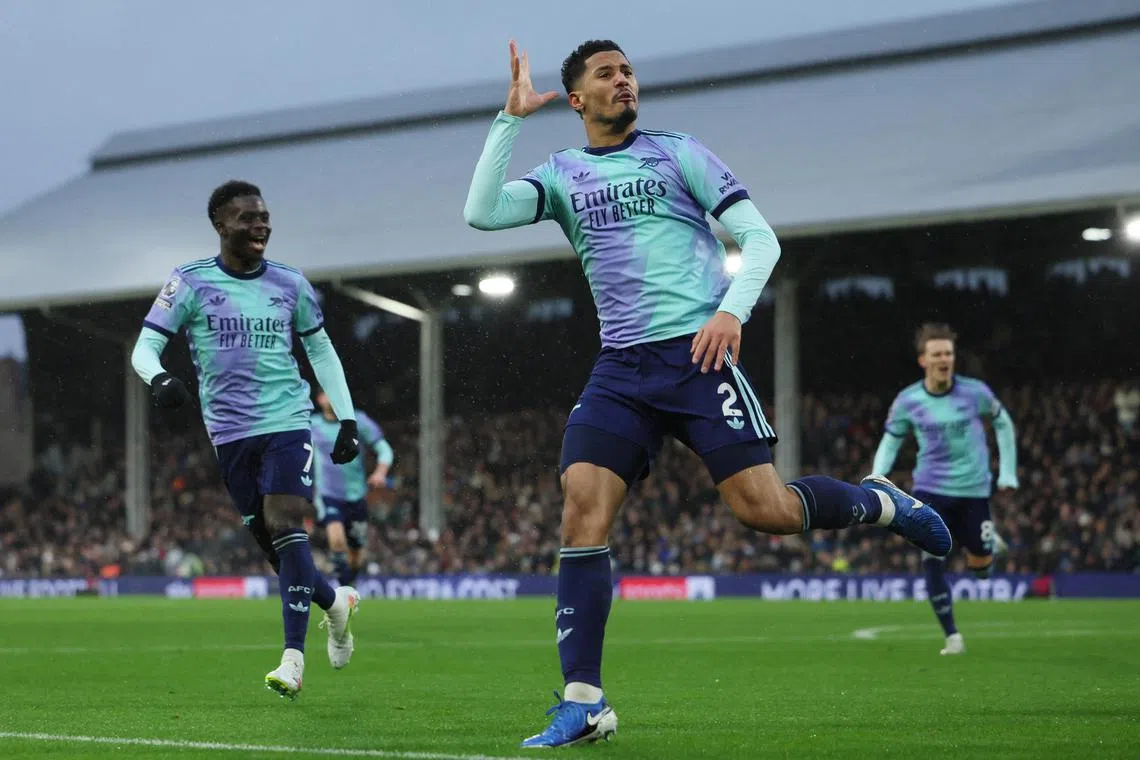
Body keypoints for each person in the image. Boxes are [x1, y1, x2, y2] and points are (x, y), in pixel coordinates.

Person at [464, 39, 951, 748]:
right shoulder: (562, 174)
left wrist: (731, 312)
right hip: (621, 369)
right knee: (580, 506)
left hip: (697, 356)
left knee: (768, 511)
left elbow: (760, 240)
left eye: (628, 70)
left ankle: (882, 501)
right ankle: (584, 700)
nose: (624, 80)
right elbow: (481, 214)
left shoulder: (679, 151)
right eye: (607, 74)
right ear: (576, 100)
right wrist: (508, 120)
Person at [130, 180, 362, 699]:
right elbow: (144, 347)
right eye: (247, 218)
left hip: (287, 421)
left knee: (286, 523)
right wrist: (160, 378)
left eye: (264, 216)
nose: (261, 225)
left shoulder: (291, 283)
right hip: (230, 434)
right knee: (279, 549)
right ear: (220, 225)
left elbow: (321, 351)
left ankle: (293, 660)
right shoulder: (189, 282)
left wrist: (344, 418)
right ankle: (335, 603)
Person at [872, 323, 1018, 655]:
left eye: (948, 354)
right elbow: (891, 441)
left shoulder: (975, 393)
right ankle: (952, 636)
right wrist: (877, 475)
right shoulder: (908, 400)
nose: (944, 359)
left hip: (973, 490)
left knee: (981, 570)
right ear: (923, 360)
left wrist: (1008, 472)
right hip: (930, 490)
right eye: (937, 354)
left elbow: (1003, 422)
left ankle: (983, 544)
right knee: (933, 557)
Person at [311, 389, 393, 587]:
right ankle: (344, 591)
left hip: (356, 497)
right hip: (328, 495)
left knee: (356, 554)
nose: (331, 396)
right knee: (337, 541)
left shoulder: (358, 421)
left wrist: (380, 472)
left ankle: (350, 581)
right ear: (319, 399)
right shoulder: (311, 425)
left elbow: (384, 449)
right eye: (326, 392)